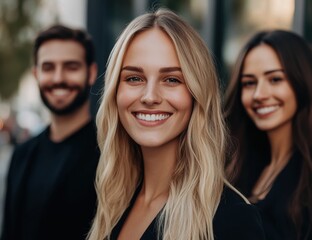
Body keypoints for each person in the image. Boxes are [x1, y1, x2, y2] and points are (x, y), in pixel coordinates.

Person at [88, 8, 265, 240]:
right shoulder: (114, 202)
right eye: (134, 78)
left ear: (196, 94)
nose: (150, 96)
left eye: (172, 79)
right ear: (115, 92)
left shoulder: (231, 220)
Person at [1, 24, 100, 240]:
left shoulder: (110, 154)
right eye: (48, 68)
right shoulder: (22, 154)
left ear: (91, 73)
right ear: (36, 74)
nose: (58, 78)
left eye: (71, 67)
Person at [224, 29, 312, 239]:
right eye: (249, 83)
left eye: (275, 79)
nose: (259, 95)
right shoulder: (236, 165)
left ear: (302, 81)